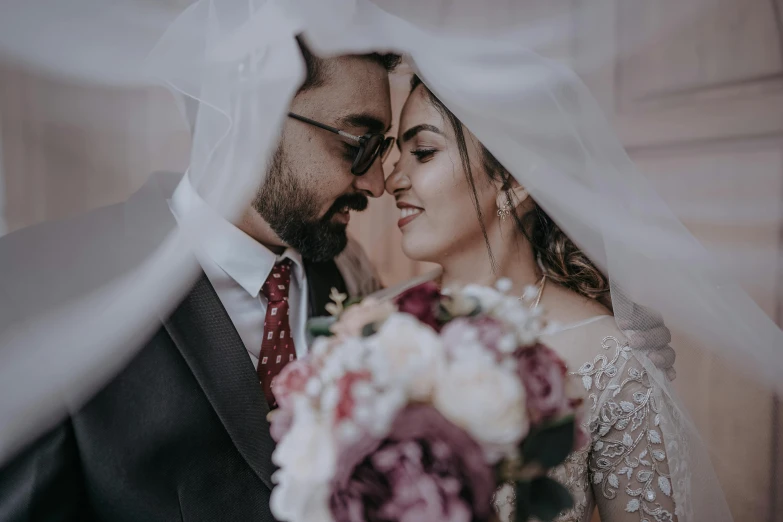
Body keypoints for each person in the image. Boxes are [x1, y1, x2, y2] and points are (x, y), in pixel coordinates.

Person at [0, 40, 399, 521]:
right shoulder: (49, 282)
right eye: (357, 145)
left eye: (382, 149)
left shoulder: (350, 278)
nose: (376, 183)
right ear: (251, 119)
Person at [384, 75, 727, 522]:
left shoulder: (608, 359)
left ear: (511, 178)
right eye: (396, 155)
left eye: (423, 153)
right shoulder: (375, 323)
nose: (393, 179)